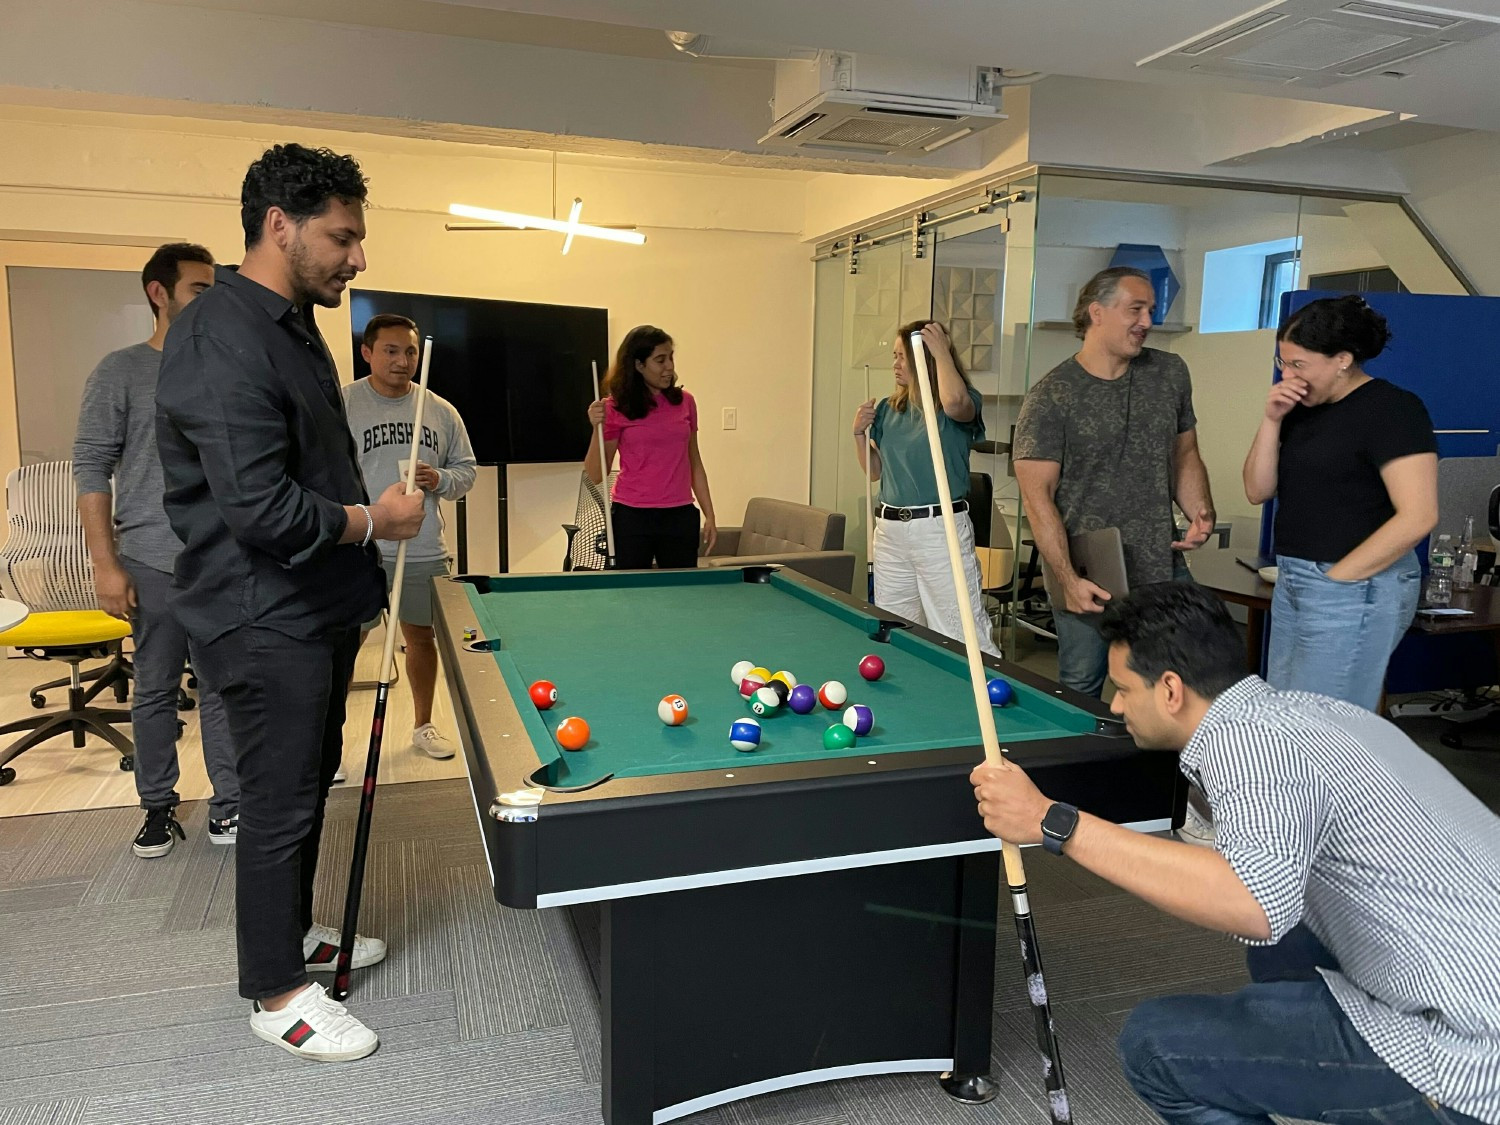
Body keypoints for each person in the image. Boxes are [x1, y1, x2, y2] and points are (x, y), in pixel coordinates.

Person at [971, 581, 1500, 1125]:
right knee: (1282, 947)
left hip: (1472, 1057)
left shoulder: (1246, 745)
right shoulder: (1307, 710)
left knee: (1156, 1048)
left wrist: (1053, 822)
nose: (1114, 704)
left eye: (1125, 688)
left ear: (1171, 690)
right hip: (1475, 971)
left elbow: (1253, 902)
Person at [157, 143, 425, 1062]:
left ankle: (294, 938)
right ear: (281, 225)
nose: (357, 258)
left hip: (310, 608)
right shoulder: (220, 334)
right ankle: (275, 991)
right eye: (343, 237)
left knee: (308, 786)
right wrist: (372, 520)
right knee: (276, 804)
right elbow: (259, 505)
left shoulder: (289, 320)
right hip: (258, 612)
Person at [73, 242, 241, 859]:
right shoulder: (119, 371)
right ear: (158, 293)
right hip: (151, 558)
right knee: (154, 690)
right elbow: (91, 469)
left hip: (222, 560)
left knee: (225, 689)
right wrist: (105, 564)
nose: (211, 300)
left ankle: (230, 806)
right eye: (200, 288)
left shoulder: (225, 368)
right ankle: (157, 807)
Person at [1013, 266, 1216, 698]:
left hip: (1162, 564)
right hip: (1090, 568)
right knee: (1082, 686)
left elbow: (1185, 454)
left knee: (1180, 683)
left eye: (1152, 311)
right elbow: (1038, 498)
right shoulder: (1052, 395)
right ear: (1097, 313)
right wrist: (1067, 578)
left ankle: (1167, 765)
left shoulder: (1170, 373)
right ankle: (1077, 765)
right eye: (1135, 309)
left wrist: (1199, 510)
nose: (1147, 322)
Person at [1243, 296, 1436, 711]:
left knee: (1328, 727)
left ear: (1343, 360)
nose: (1286, 374)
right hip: (1295, 579)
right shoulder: (1298, 408)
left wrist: (1340, 580)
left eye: (1299, 365)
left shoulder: (1393, 410)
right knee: (1287, 714)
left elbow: (1418, 515)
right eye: (1283, 362)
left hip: (1356, 585)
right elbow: (1258, 491)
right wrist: (1272, 419)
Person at [345, 313, 477, 760]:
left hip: (421, 549)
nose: (402, 361)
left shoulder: (440, 411)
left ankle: (423, 725)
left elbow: (466, 473)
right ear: (367, 353)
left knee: (422, 638)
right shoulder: (341, 405)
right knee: (346, 644)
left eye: (410, 351)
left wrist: (438, 478)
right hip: (360, 545)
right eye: (391, 350)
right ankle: (332, 742)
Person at [853, 320, 1000, 657]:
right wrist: (859, 435)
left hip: (940, 529)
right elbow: (875, 472)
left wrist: (941, 352)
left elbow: (954, 402)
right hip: (890, 533)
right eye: (894, 356)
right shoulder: (891, 409)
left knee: (961, 630)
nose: (895, 365)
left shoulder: (958, 405)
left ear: (926, 358)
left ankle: (987, 700)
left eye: (903, 356)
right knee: (897, 628)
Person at [584, 325, 717, 569]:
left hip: (679, 515)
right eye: (660, 360)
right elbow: (594, 474)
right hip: (632, 517)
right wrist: (596, 428)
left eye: (671, 358)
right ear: (639, 365)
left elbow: (694, 460)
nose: (669, 367)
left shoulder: (686, 402)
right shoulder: (615, 407)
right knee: (630, 595)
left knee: (680, 593)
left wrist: (710, 514)